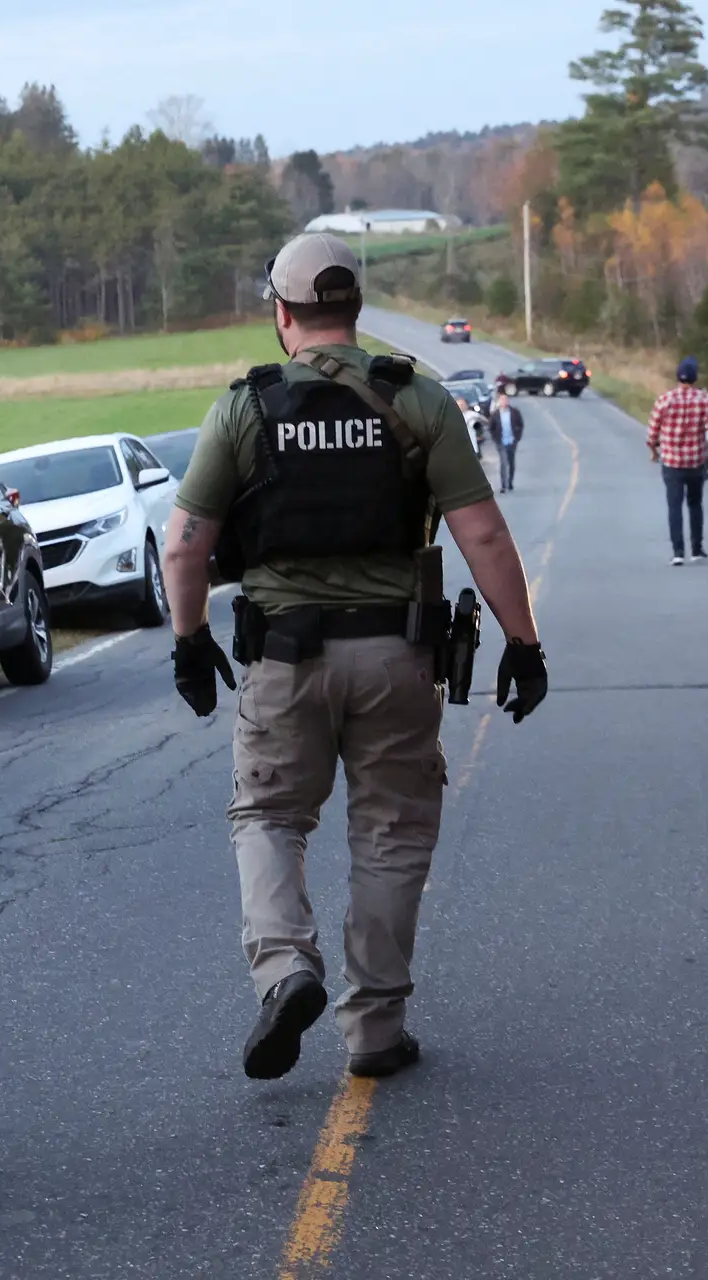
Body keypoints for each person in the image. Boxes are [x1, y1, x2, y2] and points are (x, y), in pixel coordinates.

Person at [160, 232, 549, 1083]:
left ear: (282, 313)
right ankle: (374, 1029)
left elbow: (185, 546)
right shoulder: (417, 400)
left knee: (268, 817)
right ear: (355, 309)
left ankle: (285, 972)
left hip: (285, 659)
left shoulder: (245, 408)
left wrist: (190, 643)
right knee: (391, 833)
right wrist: (524, 642)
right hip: (396, 654)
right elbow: (481, 532)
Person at [646, 356, 708, 566]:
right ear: (695, 378)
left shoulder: (664, 400)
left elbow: (651, 434)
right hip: (695, 463)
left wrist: (654, 453)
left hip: (672, 464)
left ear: (677, 377)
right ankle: (697, 549)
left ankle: (677, 552)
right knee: (695, 505)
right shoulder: (705, 400)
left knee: (674, 506)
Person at [488, 390, 523, 492]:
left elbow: (520, 425)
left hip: (512, 441)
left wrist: (517, 438)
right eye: (502, 400)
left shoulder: (515, 412)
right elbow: (491, 428)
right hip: (501, 441)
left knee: (511, 462)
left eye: (505, 400)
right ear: (499, 402)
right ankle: (504, 485)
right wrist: (495, 439)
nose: (504, 402)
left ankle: (510, 482)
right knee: (503, 462)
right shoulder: (495, 414)